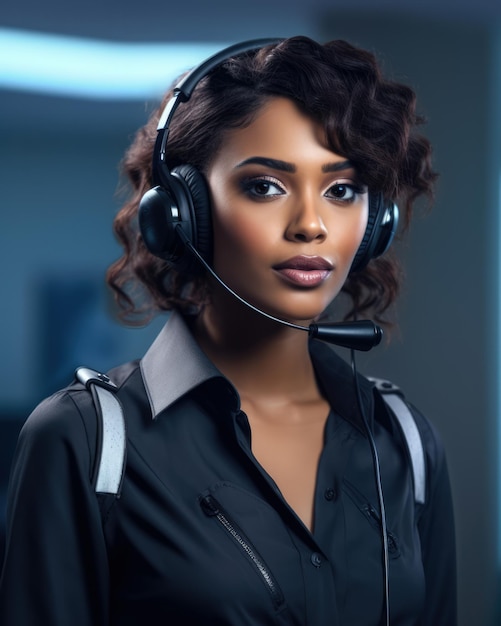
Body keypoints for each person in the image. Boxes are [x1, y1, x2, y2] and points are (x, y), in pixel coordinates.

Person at [0, 36, 456, 625]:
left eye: (342, 190)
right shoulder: (85, 441)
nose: (312, 225)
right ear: (180, 216)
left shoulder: (405, 445)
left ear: (376, 225)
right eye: (265, 186)